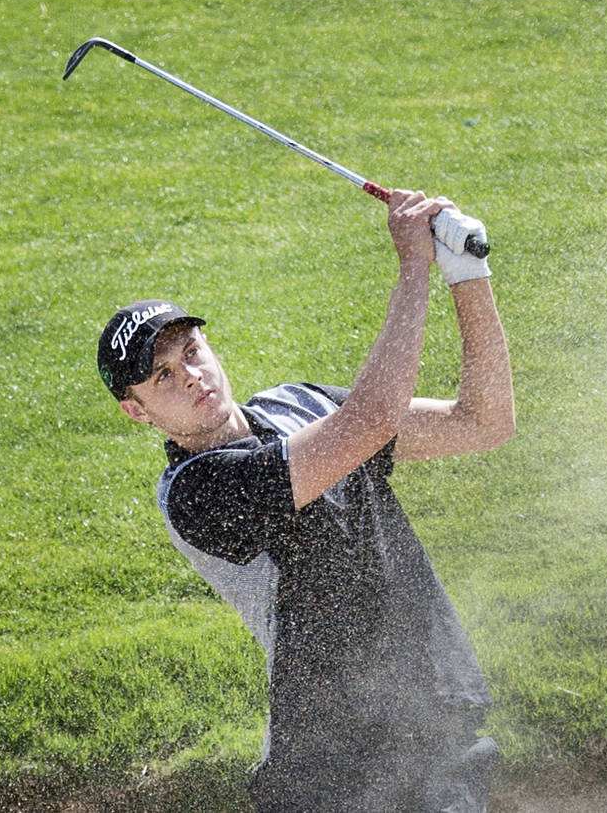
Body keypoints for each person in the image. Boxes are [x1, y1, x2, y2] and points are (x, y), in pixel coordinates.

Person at [96, 190, 515, 812]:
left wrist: (467, 274)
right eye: (162, 376)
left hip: (431, 723)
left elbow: (484, 422)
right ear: (137, 412)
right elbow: (368, 422)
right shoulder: (197, 491)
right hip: (333, 770)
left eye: (190, 352)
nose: (190, 375)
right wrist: (412, 268)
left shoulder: (300, 404)